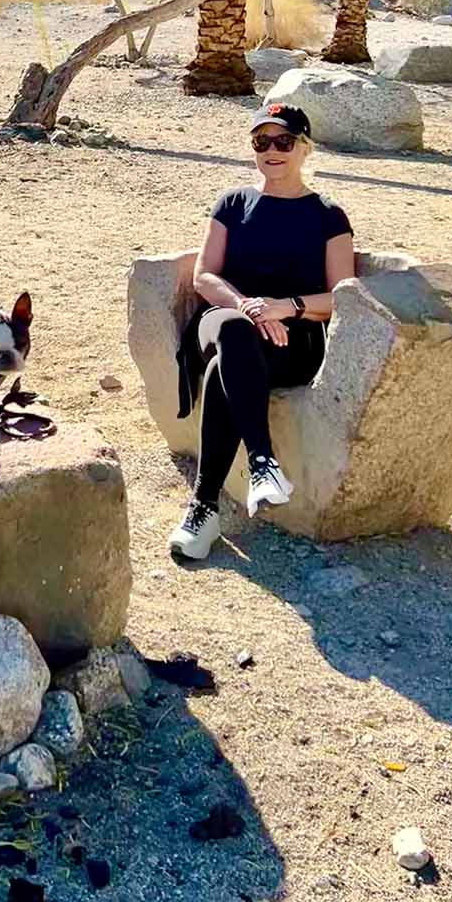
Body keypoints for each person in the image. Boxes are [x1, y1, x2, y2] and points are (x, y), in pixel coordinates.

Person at [168, 103, 355, 562]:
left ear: (305, 149)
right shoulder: (232, 204)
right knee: (234, 334)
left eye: (284, 141)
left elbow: (341, 296)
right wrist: (248, 307)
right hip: (223, 321)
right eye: (261, 141)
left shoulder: (328, 216)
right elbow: (204, 276)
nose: (272, 150)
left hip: (291, 341)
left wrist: (286, 307)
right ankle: (262, 462)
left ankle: (203, 508)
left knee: (223, 372)